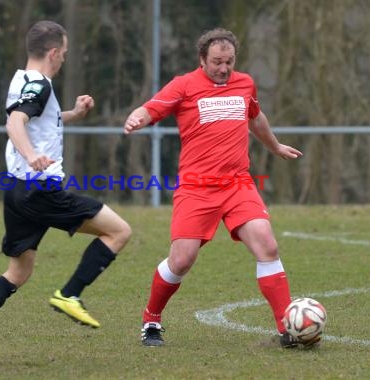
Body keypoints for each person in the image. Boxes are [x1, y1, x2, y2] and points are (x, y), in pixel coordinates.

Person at [0, 20, 131, 368]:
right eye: (65, 54)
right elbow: (15, 123)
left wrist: (73, 114)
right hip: (40, 189)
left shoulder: (22, 79)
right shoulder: (41, 84)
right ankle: (70, 293)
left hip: (15, 190)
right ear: (54, 52)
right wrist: (32, 156)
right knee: (119, 231)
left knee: (18, 272)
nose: (64, 60)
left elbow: (36, 119)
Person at [124, 27, 306, 348]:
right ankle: (151, 319)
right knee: (181, 260)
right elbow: (151, 107)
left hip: (238, 183)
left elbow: (255, 116)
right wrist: (136, 118)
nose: (224, 68)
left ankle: (287, 328)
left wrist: (275, 146)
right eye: (217, 62)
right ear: (202, 60)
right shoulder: (184, 85)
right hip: (196, 187)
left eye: (229, 62)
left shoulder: (244, 82)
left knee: (267, 245)